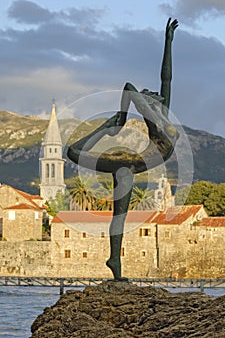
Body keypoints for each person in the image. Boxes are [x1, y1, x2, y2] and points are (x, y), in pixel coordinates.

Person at [67, 18, 179, 280]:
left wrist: (168, 41)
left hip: (130, 164)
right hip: (129, 163)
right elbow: (130, 88)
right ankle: (112, 123)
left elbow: (167, 77)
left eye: (153, 93)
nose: (154, 92)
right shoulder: (154, 119)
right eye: (150, 94)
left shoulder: (162, 115)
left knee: (120, 214)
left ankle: (114, 261)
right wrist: (122, 114)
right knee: (73, 152)